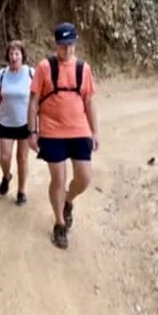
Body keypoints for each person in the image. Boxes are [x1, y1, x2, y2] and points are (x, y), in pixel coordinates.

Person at [27, 22, 98, 249]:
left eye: (70, 45)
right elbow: (33, 101)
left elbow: (88, 101)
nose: (66, 50)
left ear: (75, 43)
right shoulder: (44, 68)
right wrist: (32, 131)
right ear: (56, 45)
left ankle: (68, 201)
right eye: (62, 46)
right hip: (52, 131)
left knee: (84, 178)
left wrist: (95, 131)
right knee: (58, 178)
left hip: (79, 131)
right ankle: (59, 224)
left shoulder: (83, 69)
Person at [0, 40, 34, 206]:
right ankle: (6, 176)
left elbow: (38, 99)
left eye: (17, 53)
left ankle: (21, 191)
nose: (14, 57)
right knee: (4, 157)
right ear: (7, 56)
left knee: (22, 158)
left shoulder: (31, 73)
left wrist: (39, 125)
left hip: (25, 123)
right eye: (11, 53)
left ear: (22, 56)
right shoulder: (2, 74)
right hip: (6, 122)